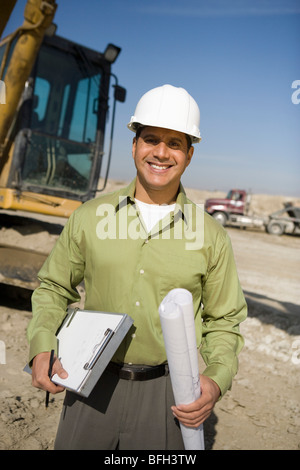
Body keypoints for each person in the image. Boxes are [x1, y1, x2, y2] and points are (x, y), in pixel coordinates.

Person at [27, 84, 247, 450]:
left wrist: (215, 378)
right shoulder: (89, 218)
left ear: (189, 155)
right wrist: (41, 345)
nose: (161, 153)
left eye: (174, 143)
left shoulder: (211, 236)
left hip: (167, 396)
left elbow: (224, 321)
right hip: (88, 385)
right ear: (134, 145)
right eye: (150, 139)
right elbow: (53, 288)